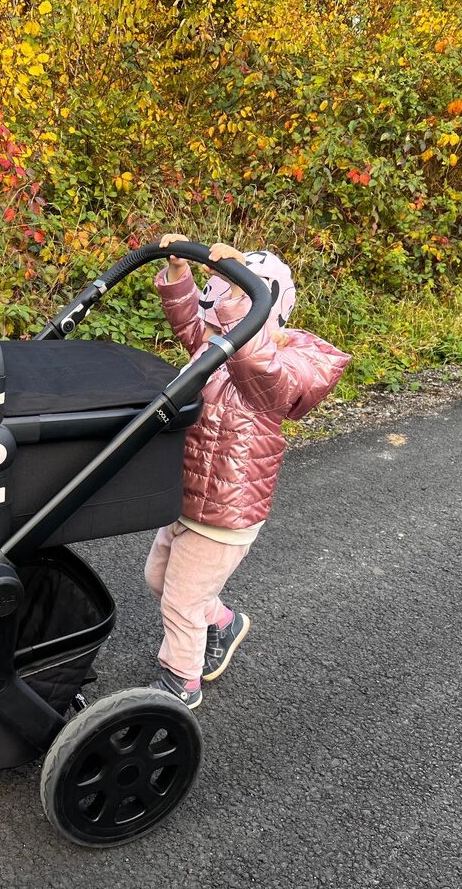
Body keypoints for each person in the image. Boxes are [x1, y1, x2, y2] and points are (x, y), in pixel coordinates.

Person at [145, 234, 351, 708]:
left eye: (237, 296)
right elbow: (191, 326)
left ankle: (180, 683)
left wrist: (241, 295)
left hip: (227, 509)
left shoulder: (285, 365)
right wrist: (178, 272)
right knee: (158, 578)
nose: (215, 318)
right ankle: (223, 623)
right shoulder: (215, 348)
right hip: (185, 492)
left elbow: (255, 364)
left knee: (181, 600)